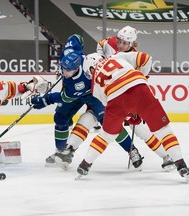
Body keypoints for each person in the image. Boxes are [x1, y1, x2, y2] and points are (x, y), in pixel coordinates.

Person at [76, 51, 189, 182]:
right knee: (164, 130)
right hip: (139, 87)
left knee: (106, 135)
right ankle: (181, 164)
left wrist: (129, 115)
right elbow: (146, 58)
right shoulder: (116, 56)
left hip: (115, 96)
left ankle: (85, 164)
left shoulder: (94, 85)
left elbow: (110, 104)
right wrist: (143, 78)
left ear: (90, 68)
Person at [31, 51, 143, 170]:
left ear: (76, 68)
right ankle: (61, 152)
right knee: (60, 117)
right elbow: (77, 38)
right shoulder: (79, 60)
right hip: (76, 93)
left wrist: (45, 100)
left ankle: (132, 150)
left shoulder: (77, 84)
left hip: (93, 94)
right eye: (63, 68)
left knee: (109, 123)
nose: (64, 72)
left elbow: (63, 97)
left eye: (68, 70)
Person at [97, 25, 175, 170]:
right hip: (109, 95)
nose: (121, 45)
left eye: (125, 43)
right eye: (119, 41)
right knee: (106, 128)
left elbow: (140, 80)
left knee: (141, 131)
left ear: (132, 44)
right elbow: (101, 45)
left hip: (126, 97)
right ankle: (132, 151)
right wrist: (101, 58)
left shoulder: (135, 57)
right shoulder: (110, 43)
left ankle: (165, 156)